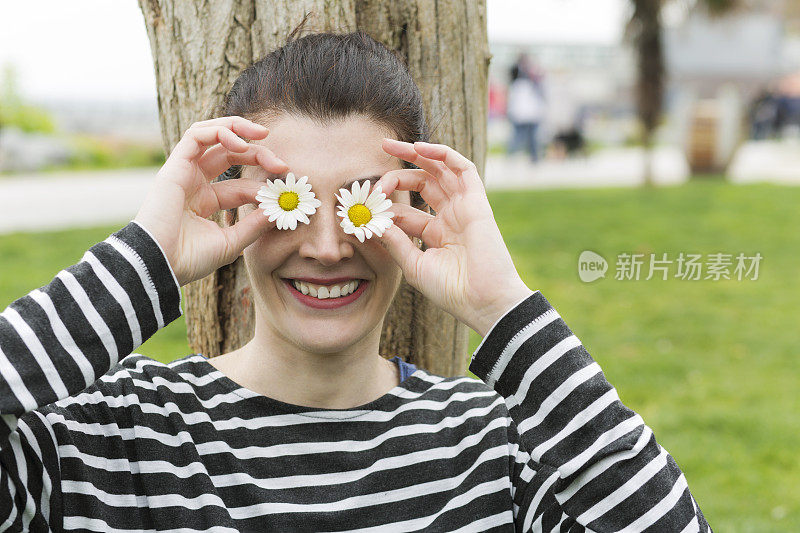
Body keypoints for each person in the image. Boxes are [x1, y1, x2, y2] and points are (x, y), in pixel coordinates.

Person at [0, 28, 712, 532]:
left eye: (360, 201)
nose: (327, 243)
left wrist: (503, 306)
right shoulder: (112, 437)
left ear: (413, 208)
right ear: (235, 201)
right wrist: (142, 258)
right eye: (289, 199)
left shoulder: (493, 451)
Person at [505, 59, 546, 162]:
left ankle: (532, 158)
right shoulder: (520, 86)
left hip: (529, 116)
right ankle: (513, 156)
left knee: (530, 139)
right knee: (520, 138)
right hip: (523, 116)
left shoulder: (523, 86)